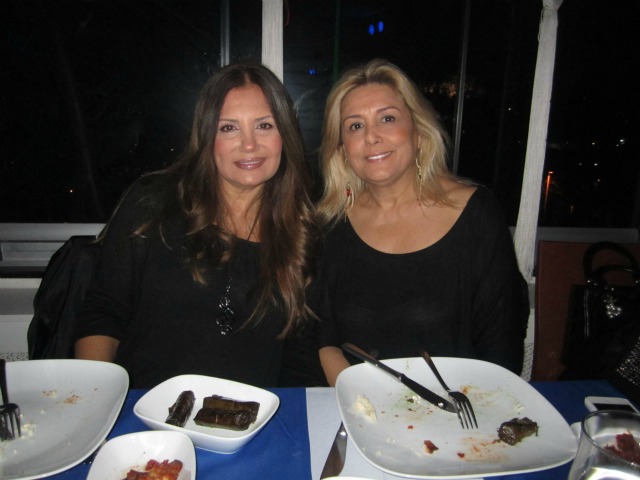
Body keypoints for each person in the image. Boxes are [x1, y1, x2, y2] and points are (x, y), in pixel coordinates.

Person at [74, 63, 323, 389]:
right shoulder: (153, 204)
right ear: (207, 137)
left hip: (250, 415)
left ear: (285, 136)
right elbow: (104, 310)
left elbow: (300, 351)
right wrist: (97, 398)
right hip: (146, 410)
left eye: (264, 125)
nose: (249, 144)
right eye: (229, 128)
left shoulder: (302, 231)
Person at [315, 59, 529, 386]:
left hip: (459, 408)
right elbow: (325, 338)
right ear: (343, 149)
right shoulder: (332, 225)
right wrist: (359, 401)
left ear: (418, 132)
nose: (371, 136)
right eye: (355, 126)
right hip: (359, 405)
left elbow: (502, 349)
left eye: (387, 118)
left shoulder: (476, 213)